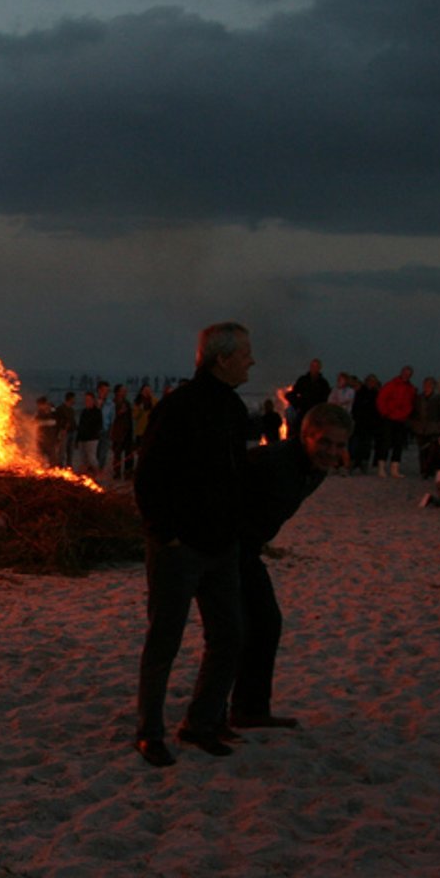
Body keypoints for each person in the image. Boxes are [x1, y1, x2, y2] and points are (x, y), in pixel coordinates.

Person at [131, 321, 256, 767]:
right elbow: (147, 479)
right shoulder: (179, 407)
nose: (251, 361)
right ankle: (149, 732)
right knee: (164, 640)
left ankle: (201, 723)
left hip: (222, 546)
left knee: (229, 635)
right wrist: (168, 534)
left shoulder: (234, 409)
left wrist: (236, 529)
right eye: (244, 354)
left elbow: (235, 475)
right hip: (179, 549)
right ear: (221, 358)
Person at [232, 402, 351, 731]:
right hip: (222, 546)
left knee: (265, 624)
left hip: (247, 549)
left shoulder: (316, 469)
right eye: (324, 442)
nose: (331, 451)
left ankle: (249, 710)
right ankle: (217, 715)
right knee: (232, 633)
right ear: (304, 436)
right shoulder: (272, 463)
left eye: (339, 445)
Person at [376, 367, 417, 477]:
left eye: (409, 374)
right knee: (385, 443)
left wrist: (406, 414)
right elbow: (381, 398)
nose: (406, 375)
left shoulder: (411, 388)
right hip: (389, 418)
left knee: (398, 444)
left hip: (401, 419)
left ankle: (395, 469)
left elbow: (411, 403)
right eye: (405, 373)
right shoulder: (391, 385)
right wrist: (385, 412)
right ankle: (381, 468)